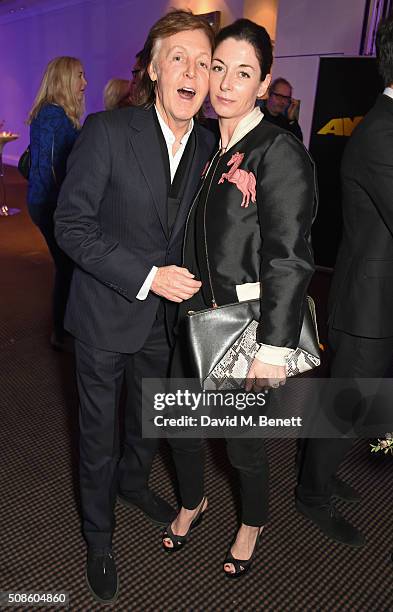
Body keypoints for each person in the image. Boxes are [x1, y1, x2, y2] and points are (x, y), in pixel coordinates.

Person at [54, 10, 215, 604]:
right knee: (98, 433)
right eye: (179, 58)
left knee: (149, 421)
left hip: (166, 324)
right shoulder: (105, 131)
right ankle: (99, 535)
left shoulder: (209, 147)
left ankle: (133, 483)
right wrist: (147, 275)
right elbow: (71, 225)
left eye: (204, 62)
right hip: (104, 313)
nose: (192, 72)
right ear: (152, 68)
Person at [163, 19, 316, 578]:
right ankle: (192, 501)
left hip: (243, 330)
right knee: (179, 425)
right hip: (191, 319)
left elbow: (289, 256)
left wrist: (272, 349)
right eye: (218, 68)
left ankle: (252, 522)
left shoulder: (278, 152)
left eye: (242, 73)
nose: (225, 83)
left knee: (244, 445)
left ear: (264, 83)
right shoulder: (209, 145)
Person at [296, 16, 393, 548]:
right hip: (367, 305)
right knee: (346, 401)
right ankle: (311, 494)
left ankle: (319, 470)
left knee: (348, 399)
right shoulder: (382, 133)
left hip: (375, 298)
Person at [27, 56, 87, 351]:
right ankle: (62, 334)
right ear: (65, 80)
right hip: (52, 205)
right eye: (79, 76)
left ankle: (63, 330)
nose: (84, 83)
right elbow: (52, 166)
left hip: (43, 202)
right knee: (68, 268)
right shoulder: (54, 115)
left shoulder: (48, 112)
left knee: (67, 267)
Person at [258, 77, 303, 141]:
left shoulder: (286, 123)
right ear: (269, 94)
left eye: (286, 98)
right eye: (279, 96)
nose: (282, 101)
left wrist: (291, 120)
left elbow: (297, 144)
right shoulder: (257, 116)